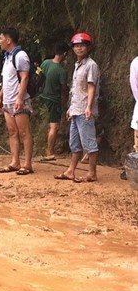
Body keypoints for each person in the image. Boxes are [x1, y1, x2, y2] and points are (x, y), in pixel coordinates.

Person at [54, 32, 100, 183]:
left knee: (89, 142)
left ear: (88, 47)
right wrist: (71, 107)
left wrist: (89, 107)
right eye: (76, 46)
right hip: (76, 109)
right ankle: (70, 171)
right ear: (73, 48)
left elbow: (91, 87)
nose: (79, 48)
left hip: (85, 110)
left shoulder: (91, 65)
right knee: (74, 143)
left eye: (82, 46)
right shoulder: (77, 65)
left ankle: (92, 173)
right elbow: (76, 89)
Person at [0, 26, 34, 175]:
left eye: (1, 38)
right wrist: (0, 96)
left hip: (19, 100)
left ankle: (28, 164)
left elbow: (25, 77)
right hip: (8, 100)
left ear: (8, 40)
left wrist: (19, 97)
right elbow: (7, 80)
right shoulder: (7, 57)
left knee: (24, 132)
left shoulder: (20, 55)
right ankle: (15, 161)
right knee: (12, 131)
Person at [39, 42, 69, 161]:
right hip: (54, 100)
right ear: (64, 54)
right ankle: (50, 152)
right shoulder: (62, 71)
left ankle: (44, 150)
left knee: (46, 124)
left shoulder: (45, 63)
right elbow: (63, 89)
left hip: (43, 97)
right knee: (54, 126)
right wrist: (65, 101)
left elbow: (39, 77)